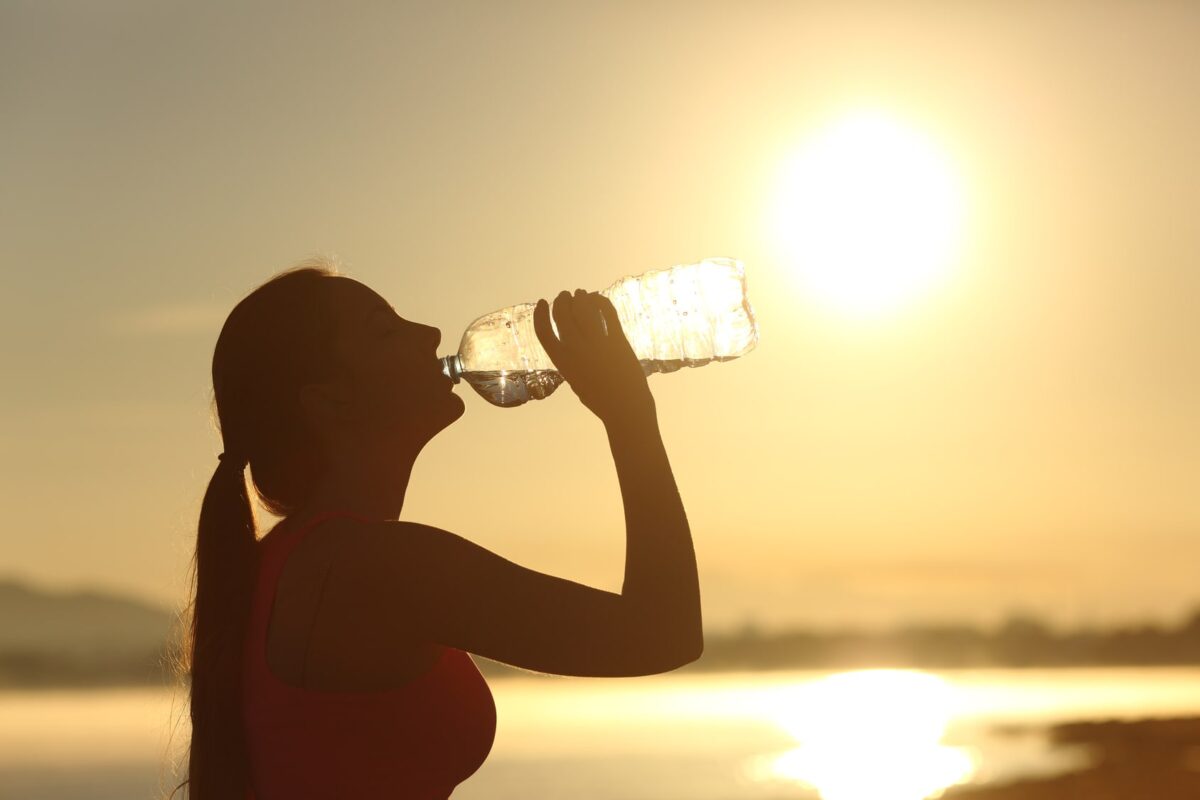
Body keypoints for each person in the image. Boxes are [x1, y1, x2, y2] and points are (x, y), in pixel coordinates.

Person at [174, 259, 703, 799]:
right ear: (331, 401)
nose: (428, 334)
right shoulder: (375, 567)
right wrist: (629, 412)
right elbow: (661, 633)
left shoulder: (289, 563)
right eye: (384, 330)